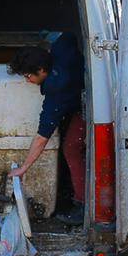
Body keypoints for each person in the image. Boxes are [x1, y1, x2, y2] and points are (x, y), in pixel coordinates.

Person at [8, 33, 86, 225]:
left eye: (28, 76)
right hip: (89, 89)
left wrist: (24, 167)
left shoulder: (56, 91)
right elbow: (69, 35)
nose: (27, 80)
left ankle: (83, 205)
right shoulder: (61, 47)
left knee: (71, 149)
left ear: (42, 70)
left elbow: (43, 137)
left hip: (89, 105)